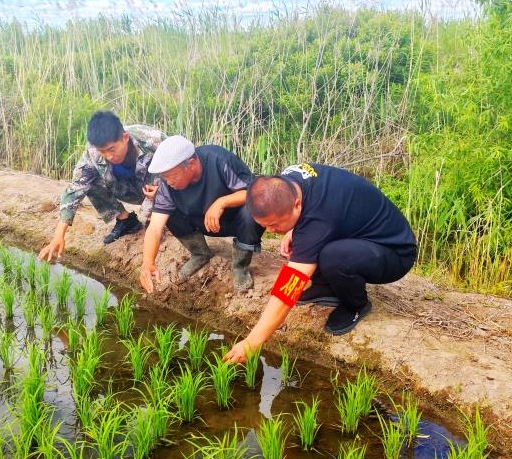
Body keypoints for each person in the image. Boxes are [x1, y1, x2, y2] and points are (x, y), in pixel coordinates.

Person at [223, 162, 417, 363]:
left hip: (394, 252)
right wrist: (290, 229)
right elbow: (313, 218)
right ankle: (326, 288)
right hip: (356, 233)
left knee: (334, 257)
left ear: (297, 204)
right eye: (265, 226)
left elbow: (288, 289)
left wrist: (253, 341)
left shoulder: (318, 218)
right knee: (306, 240)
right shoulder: (287, 181)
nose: (271, 231)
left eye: (274, 224)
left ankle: (356, 306)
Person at [139, 135, 265, 293]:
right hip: (202, 222)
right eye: (165, 178)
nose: (169, 182)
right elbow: (155, 228)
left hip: (235, 221)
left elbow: (254, 193)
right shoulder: (168, 186)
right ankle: (200, 253)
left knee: (252, 210)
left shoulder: (218, 160)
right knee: (167, 212)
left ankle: (240, 267)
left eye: (173, 176)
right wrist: (147, 262)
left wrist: (221, 202)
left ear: (191, 164)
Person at [38, 111, 166, 262]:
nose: (109, 156)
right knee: (88, 182)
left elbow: (185, 163)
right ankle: (126, 221)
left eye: (112, 149)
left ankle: (158, 220)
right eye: (103, 151)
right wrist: (59, 235)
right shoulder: (93, 151)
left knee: (163, 188)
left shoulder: (153, 140)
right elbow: (75, 188)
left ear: (125, 138)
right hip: (127, 189)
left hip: (159, 190)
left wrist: (165, 190)